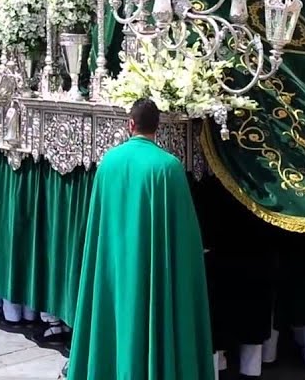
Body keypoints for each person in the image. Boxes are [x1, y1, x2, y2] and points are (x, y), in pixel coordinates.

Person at [66, 98, 213, 380]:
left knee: (115, 324)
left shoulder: (109, 163)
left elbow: (98, 226)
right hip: (150, 270)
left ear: (129, 124)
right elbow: (185, 237)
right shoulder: (167, 167)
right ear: (158, 127)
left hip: (114, 271)